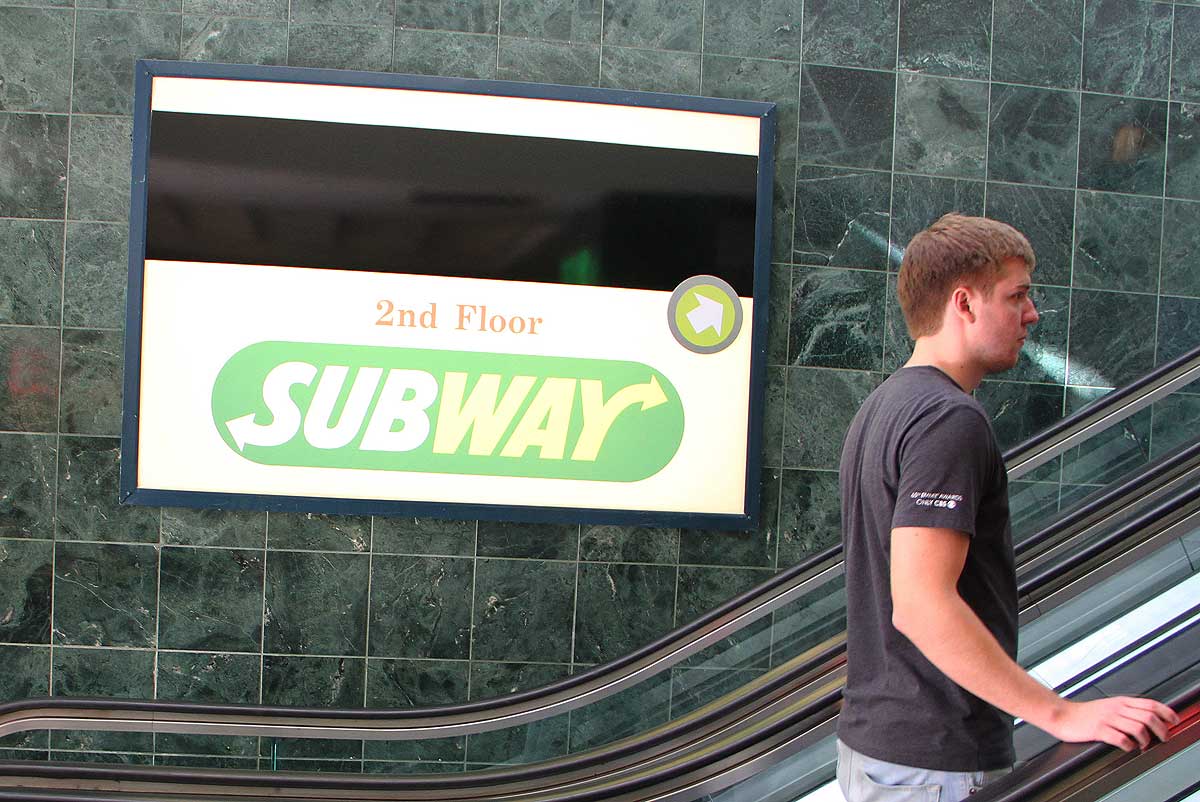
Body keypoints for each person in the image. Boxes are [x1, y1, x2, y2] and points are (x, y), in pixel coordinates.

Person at [835, 213, 1178, 802]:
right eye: (1016, 296)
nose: (1032, 314)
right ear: (964, 304)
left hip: (883, 748)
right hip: (933, 761)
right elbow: (919, 605)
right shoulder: (949, 420)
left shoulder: (885, 406)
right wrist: (1061, 716)